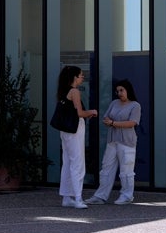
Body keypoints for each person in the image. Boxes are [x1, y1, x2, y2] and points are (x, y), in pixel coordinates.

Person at [85, 79, 142, 205]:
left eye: (122, 90)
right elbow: (106, 116)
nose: (119, 93)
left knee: (126, 170)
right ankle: (100, 196)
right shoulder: (114, 103)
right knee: (106, 168)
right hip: (112, 140)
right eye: (117, 91)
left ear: (128, 90)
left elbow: (132, 122)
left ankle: (127, 196)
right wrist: (109, 121)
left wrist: (113, 123)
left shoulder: (135, 105)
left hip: (127, 141)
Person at [55, 65, 97, 209]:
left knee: (67, 162)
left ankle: (67, 197)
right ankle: (78, 198)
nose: (82, 78)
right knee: (78, 163)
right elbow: (79, 113)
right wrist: (92, 111)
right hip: (75, 129)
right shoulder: (74, 91)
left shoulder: (63, 91)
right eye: (80, 75)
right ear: (74, 77)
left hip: (65, 130)